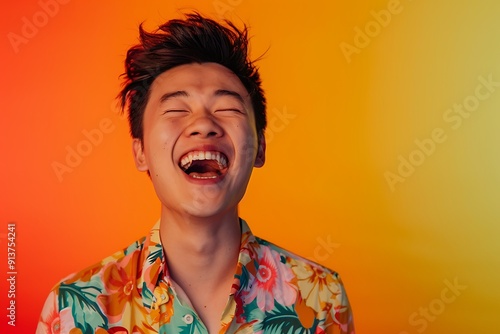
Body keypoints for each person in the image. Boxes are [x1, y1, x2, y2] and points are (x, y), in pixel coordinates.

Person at [36, 12, 355, 334]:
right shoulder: (76, 307)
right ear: (141, 152)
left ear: (259, 148)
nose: (203, 124)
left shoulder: (320, 297)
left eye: (227, 109)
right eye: (176, 110)